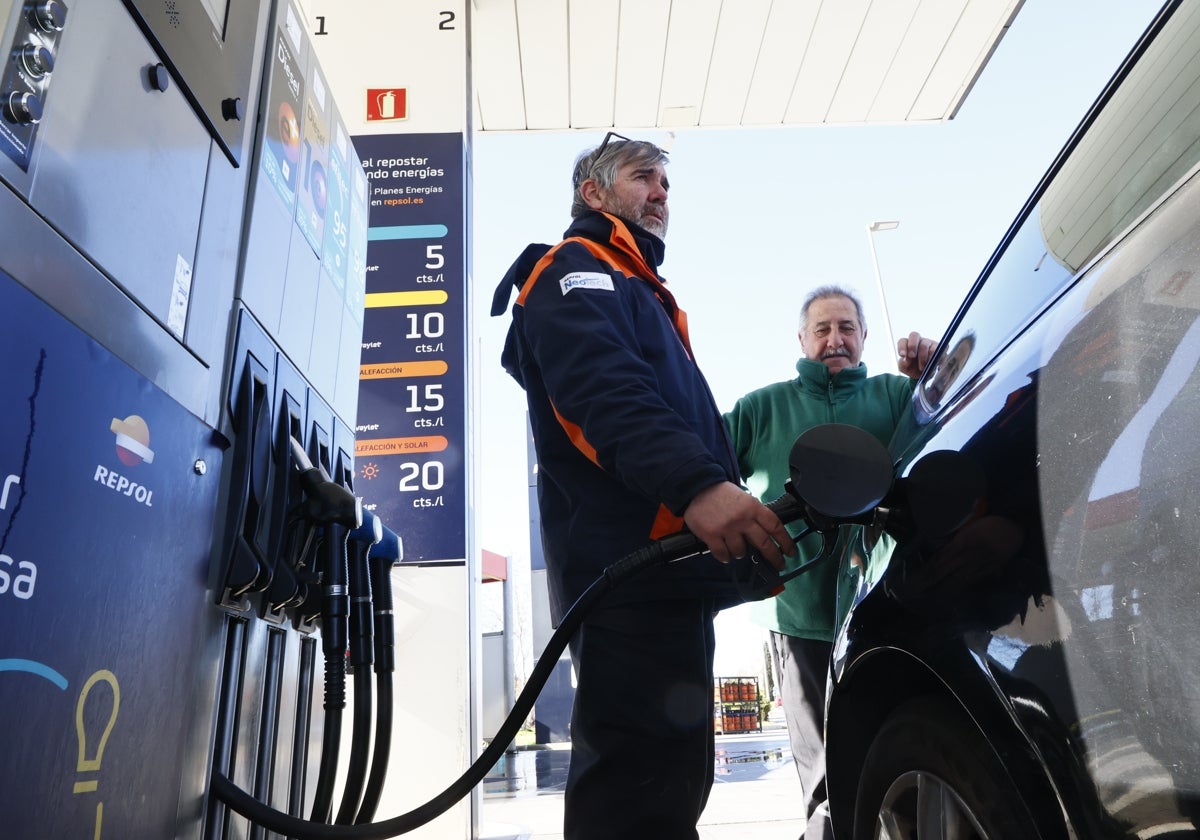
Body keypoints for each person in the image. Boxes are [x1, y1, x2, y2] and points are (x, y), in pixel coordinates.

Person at [490, 134, 798, 839]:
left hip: (662, 576)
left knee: (667, 789)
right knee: (636, 798)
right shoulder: (576, 269)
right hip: (626, 578)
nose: (661, 194)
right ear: (593, 194)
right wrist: (698, 487)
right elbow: (606, 394)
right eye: (643, 178)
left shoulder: (639, 290)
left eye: (666, 183)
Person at [724, 285, 935, 839]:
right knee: (823, 775)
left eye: (846, 328)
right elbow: (702, 462)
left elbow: (957, 415)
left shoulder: (898, 397)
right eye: (822, 329)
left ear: (864, 337)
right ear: (801, 340)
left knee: (907, 755)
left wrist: (936, 369)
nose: (835, 340)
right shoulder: (760, 408)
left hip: (888, 611)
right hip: (798, 617)